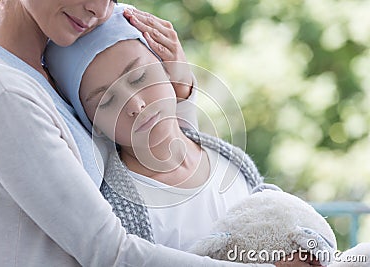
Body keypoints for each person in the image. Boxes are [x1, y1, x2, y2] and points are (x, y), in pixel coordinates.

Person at [0, 0, 277, 266]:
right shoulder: (0, 90)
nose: (100, 10)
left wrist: (178, 91)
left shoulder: (52, 71)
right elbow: (109, 253)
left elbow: (157, 173)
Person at [44, 4, 321, 267]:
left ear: (167, 67)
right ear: (94, 124)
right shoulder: (120, 213)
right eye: (105, 101)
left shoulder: (232, 163)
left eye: (139, 77)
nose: (135, 105)